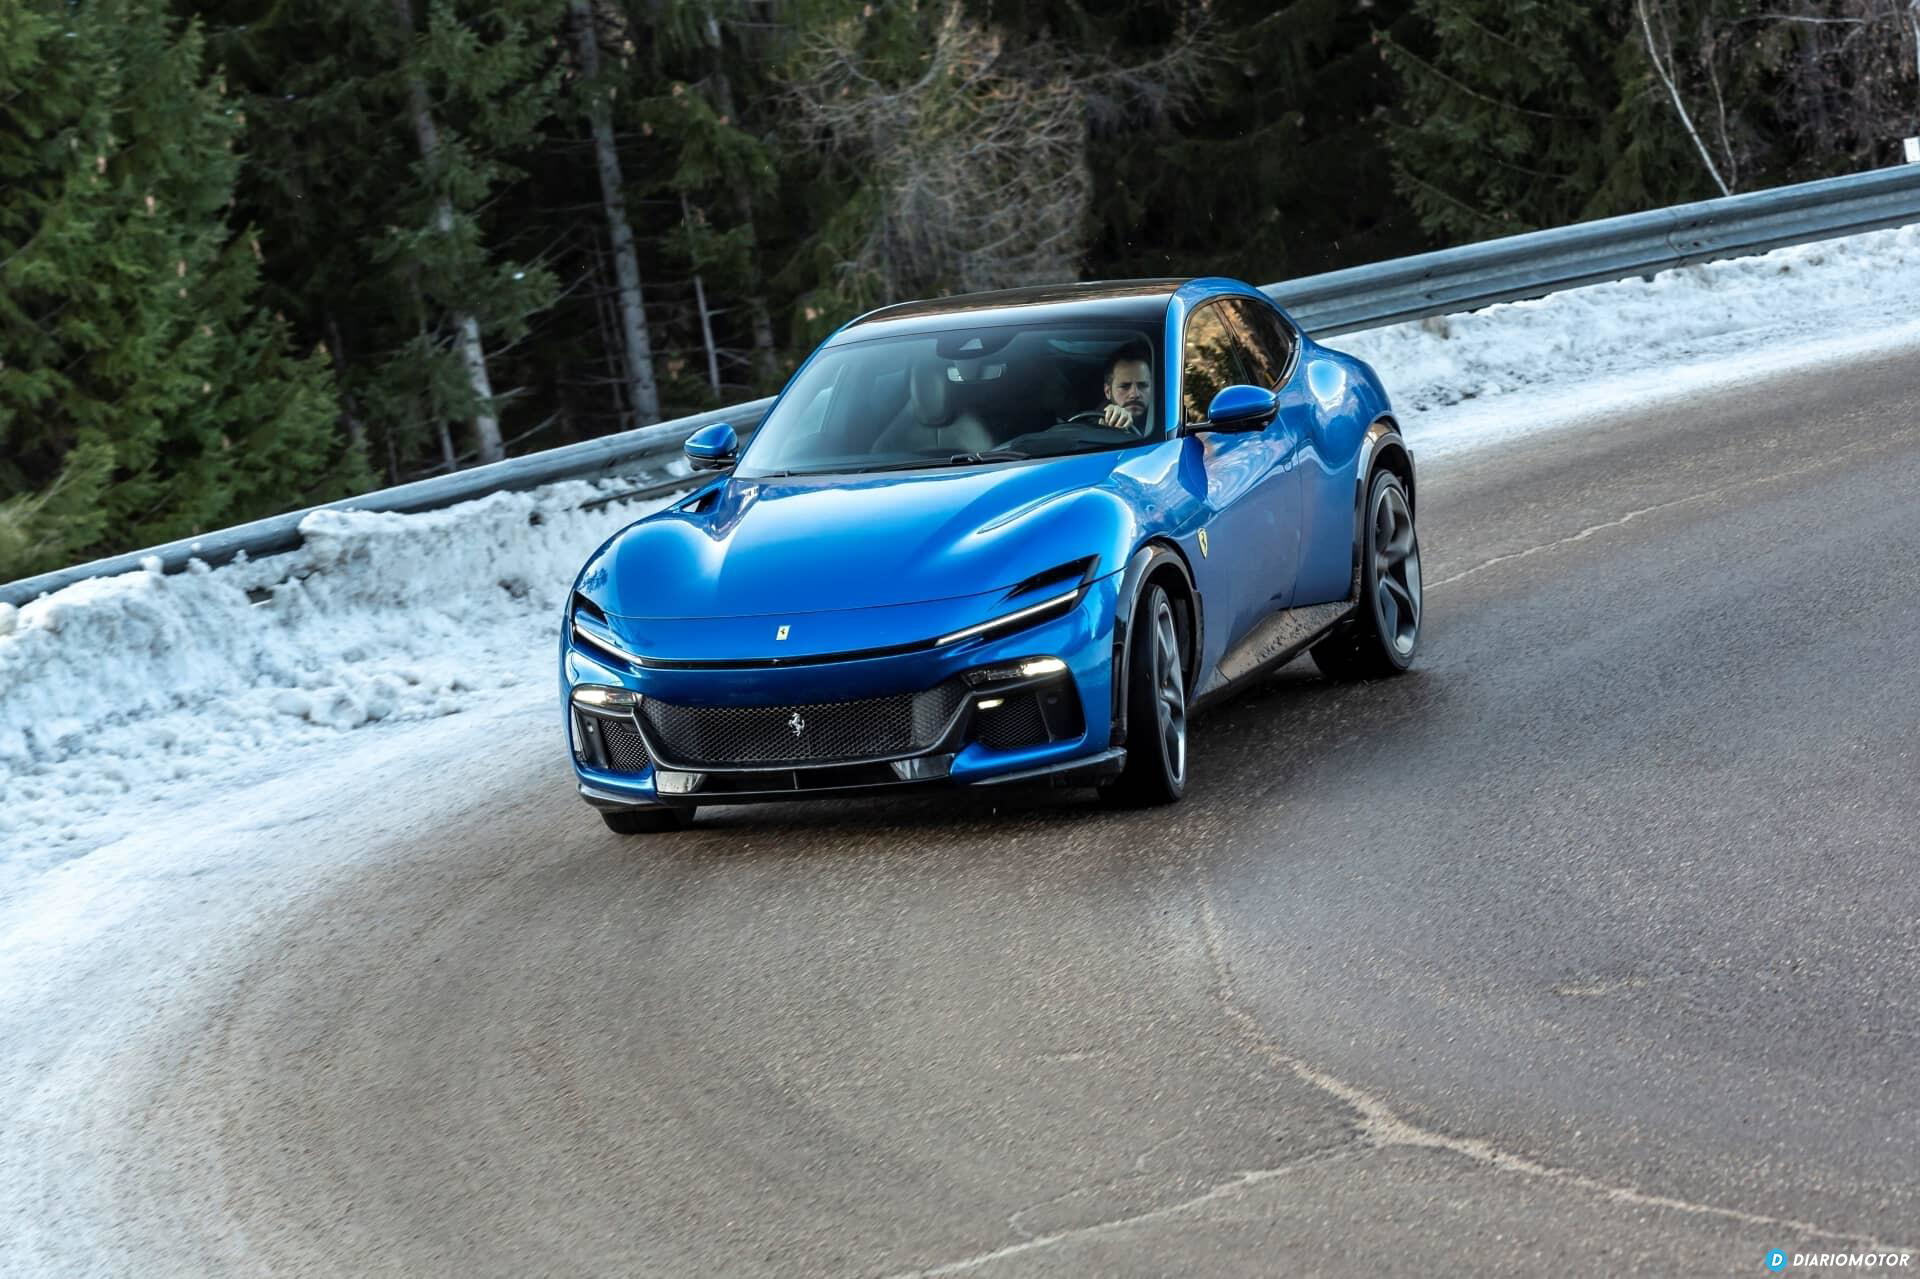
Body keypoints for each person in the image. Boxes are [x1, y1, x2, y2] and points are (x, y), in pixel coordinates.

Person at [1091, 342, 1154, 433]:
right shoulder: (1091, 424)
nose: (1135, 394)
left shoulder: (1168, 418)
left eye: (1143, 385)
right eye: (1125, 386)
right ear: (1108, 392)